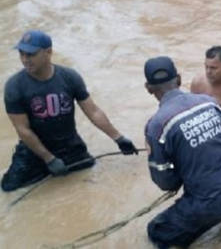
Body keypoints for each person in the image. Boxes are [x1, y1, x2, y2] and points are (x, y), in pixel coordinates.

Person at [143, 56, 221, 248]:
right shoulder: (209, 102)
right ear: (178, 79)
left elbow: (166, 182)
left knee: (156, 232)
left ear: (149, 88)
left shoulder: (156, 127)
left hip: (207, 201)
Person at [2, 30, 138, 192]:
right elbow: (23, 129)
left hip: (69, 146)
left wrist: (119, 138)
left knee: (88, 172)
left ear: (48, 52)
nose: (25, 60)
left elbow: (93, 112)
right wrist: (49, 159)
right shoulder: (14, 86)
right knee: (9, 188)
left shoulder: (69, 77)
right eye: (21, 54)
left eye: (31, 54)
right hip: (34, 152)